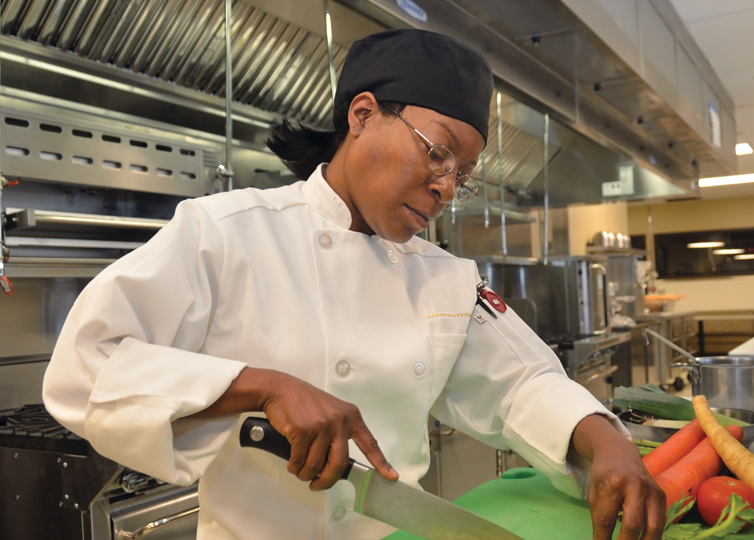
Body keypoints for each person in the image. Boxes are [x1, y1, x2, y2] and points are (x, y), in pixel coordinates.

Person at [43, 29, 664, 540]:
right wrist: (261, 386)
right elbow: (85, 365)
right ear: (362, 115)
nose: (446, 186)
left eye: (464, 174)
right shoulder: (225, 233)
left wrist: (605, 442)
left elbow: (522, 383)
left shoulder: (443, 276)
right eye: (437, 153)